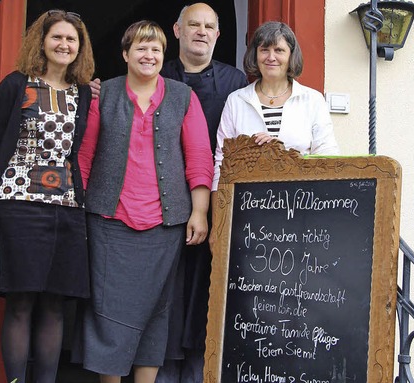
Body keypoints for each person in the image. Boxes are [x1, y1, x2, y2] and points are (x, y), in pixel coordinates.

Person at [72, 20, 214, 383]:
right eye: (141, 47)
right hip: (108, 221)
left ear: (163, 56)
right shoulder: (104, 94)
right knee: (107, 311)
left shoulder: (184, 96)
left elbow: (199, 157)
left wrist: (199, 211)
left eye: (155, 49)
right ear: (125, 54)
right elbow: (85, 156)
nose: (148, 55)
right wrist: (77, 209)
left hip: (164, 226)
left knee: (156, 310)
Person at [0, 10, 95, 383]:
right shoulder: (17, 84)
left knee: (54, 303)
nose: (64, 45)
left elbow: (78, 149)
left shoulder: (82, 92)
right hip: (18, 204)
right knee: (20, 301)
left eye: (72, 40)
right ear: (42, 42)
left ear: (80, 48)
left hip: (65, 207)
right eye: (58, 38)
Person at [156, 4, 249, 383]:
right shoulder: (154, 72)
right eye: (194, 24)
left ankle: (197, 375)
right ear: (177, 30)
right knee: (163, 296)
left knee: (206, 296)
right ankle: (159, 373)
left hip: (215, 206)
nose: (202, 31)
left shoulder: (237, 83)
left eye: (210, 26)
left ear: (218, 35)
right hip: (158, 205)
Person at [213, 21, 339, 190]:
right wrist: (219, 208)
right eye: (264, 50)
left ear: (291, 56)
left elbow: (328, 157)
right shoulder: (236, 101)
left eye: (279, 50)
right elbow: (222, 160)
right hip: (248, 203)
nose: (271, 57)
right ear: (255, 55)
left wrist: (279, 152)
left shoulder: (313, 100)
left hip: (302, 202)